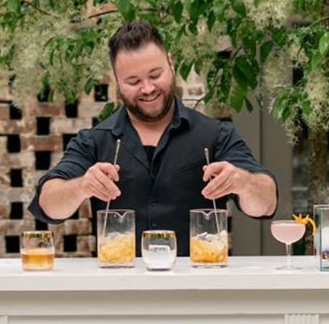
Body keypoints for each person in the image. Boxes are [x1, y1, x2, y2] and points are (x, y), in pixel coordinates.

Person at [28, 20, 278, 256]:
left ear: (171, 62)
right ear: (116, 81)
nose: (147, 89)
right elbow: (49, 205)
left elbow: (266, 204)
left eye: (155, 75)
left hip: (198, 289)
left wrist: (243, 182)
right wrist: (82, 186)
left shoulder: (216, 135)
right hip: (121, 289)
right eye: (133, 81)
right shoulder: (94, 141)